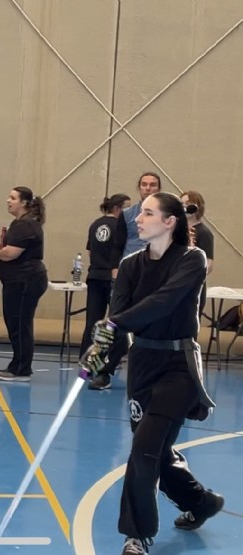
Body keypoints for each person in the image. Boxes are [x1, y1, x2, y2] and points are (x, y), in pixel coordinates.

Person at [86, 192, 221, 555]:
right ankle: (201, 502)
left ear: (169, 221)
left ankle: (136, 535)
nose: (138, 219)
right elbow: (117, 314)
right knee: (156, 452)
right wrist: (99, 350)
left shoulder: (192, 260)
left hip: (178, 367)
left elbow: (163, 302)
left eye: (147, 213)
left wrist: (113, 323)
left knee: (143, 449)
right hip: (142, 365)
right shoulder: (131, 264)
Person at [0, 187, 47, 382]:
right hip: (17, 281)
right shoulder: (18, 224)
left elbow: (11, 253)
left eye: (13, 198)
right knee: (15, 323)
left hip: (25, 282)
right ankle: (18, 364)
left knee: (20, 323)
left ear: (24, 203)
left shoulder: (25, 225)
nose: (8, 201)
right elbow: (11, 248)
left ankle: (22, 368)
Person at [79, 193, 131, 390]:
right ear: (117, 209)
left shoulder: (95, 224)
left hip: (95, 275)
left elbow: (91, 252)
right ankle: (105, 364)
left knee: (92, 321)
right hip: (113, 277)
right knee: (114, 324)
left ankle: (86, 363)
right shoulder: (120, 226)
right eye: (127, 208)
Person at [111, 172, 162, 278]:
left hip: (158, 268)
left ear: (158, 189)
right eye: (144, 184)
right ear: (139, 188)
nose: (148, 188)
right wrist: (115, 271)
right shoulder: (127, 214)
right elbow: (118, 244)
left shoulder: (167, 214)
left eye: (152, 185)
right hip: (131, 268)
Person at [181, 190, 214, 317]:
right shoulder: (178, 230)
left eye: (188, 204)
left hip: (193, 285)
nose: (184, 207)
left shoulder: (204, 232)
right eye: (182, 204)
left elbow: (209, 264)